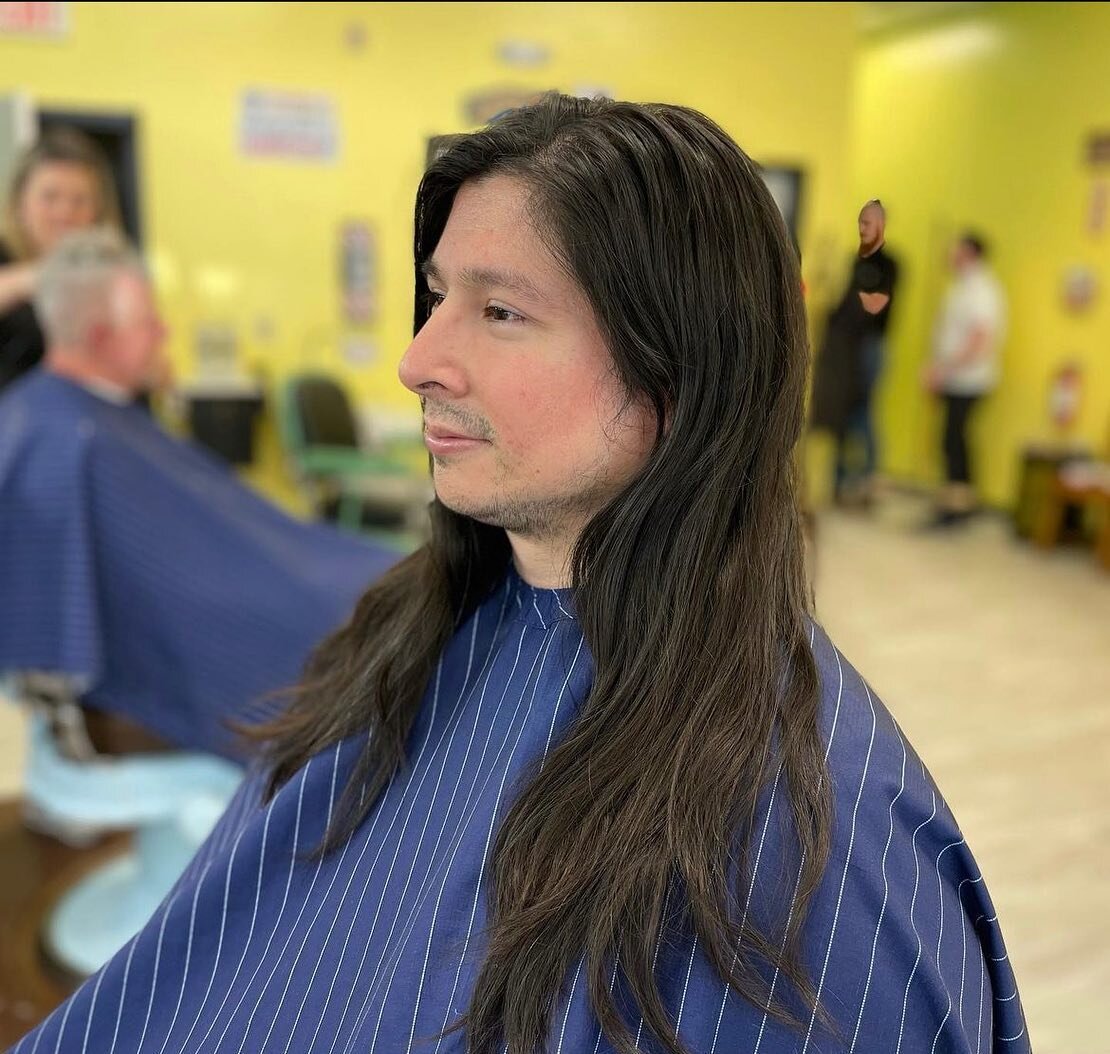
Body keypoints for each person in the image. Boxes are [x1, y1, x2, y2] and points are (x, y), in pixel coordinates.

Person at [12, 96, 1027, 1054]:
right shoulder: (421, 632)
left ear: (679, 369)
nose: (417, 359)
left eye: (500, 312)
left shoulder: (816, 857)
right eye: (442, 296)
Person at [0, 229, 397, 760]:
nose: (163, 331)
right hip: (247, 604)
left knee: (388, 579)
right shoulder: (59, 438)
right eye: (147, 324)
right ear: (99, 337)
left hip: (283, 557)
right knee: (368, 614)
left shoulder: (97, 413)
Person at [0, 127, 120, 392]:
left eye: (79, 201)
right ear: (20, 203)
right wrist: (34, 279)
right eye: (50, 197)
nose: (64, 212)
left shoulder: (111, 271)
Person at [811, 199, 899, 506]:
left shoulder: (890, 265)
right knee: (843, 414)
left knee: (863, 412)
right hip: (847, 347)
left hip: (870, 347)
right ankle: (841, 481)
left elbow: (875, 307)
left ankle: (867, 479)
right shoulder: (856, 262)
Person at [925, 233, 1007, 526]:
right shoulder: (962, 286)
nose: (951, 253)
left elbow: (979, 339)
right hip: (956, 378)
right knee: (951, 441)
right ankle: (954, 503)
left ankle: (958, 509)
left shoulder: (981, 289)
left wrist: (943, 368)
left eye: (956, 248)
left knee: (955, 442)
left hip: (968, 380)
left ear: (970, 252)